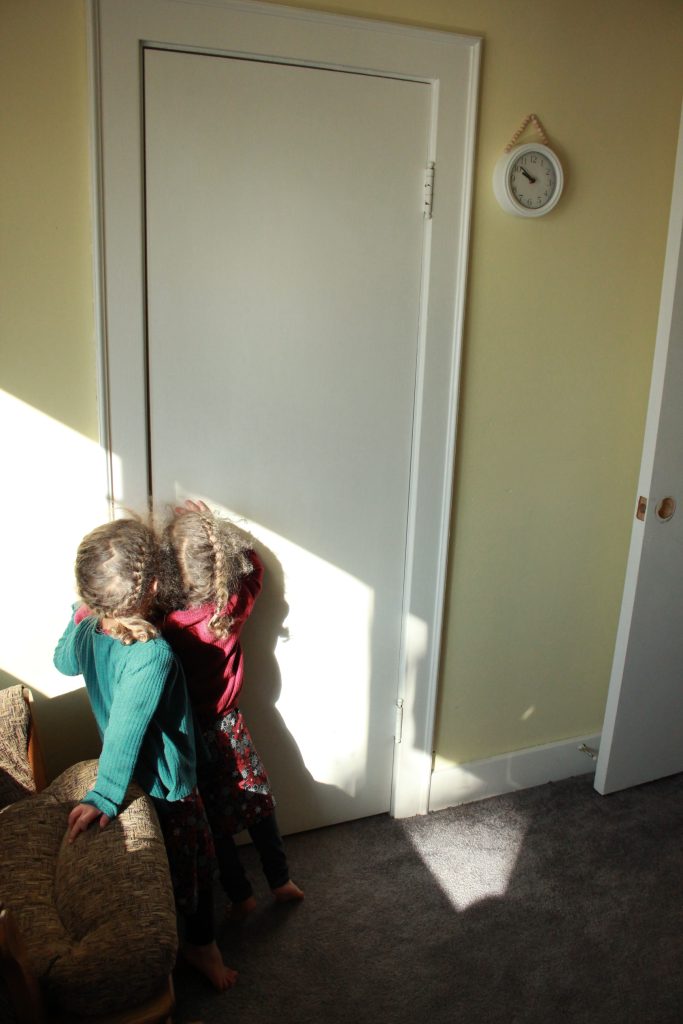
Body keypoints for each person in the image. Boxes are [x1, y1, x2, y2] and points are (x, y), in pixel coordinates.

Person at [53, 516, 237, 991]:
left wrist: (78, 612)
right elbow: (126, 728)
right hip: (168, 782)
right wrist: (104, 794)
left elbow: (61, 661)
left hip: (145, 776)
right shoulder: (150, 653)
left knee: (176, 864)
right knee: (192, 866)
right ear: (154, 585)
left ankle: (184, 939)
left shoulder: (88, 630)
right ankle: (202, 948)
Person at [159, 499, 304, 919]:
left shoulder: (166, 625)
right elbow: (255, 567)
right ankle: (280, 879)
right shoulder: (229, 608)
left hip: (190, 735)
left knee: (214, 824)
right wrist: (211, 527)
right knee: (258, 803)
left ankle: (240, 893)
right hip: (230, 726)